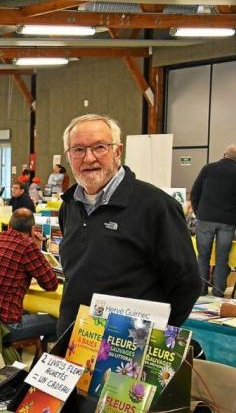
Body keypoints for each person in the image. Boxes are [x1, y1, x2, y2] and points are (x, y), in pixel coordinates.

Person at [57, 114, 201, 335]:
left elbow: (187, 283)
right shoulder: (69, 205)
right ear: (68, 156)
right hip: (75, 340)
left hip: (128, 348)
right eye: (78, 150)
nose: (88, 158)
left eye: (99, 147)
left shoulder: (156, 206)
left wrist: (157, 334)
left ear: (117, 151)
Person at [0, 208, 58, 347]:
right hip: (5, 325)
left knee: (26, 311)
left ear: (9, 225)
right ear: (32, 229)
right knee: (57, 323)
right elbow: (51, 284)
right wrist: (36, 246)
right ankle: (38, 366)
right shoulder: (27, 246)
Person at [191, 144, 236, 297]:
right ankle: (218, 291)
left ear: (224, 154)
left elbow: (195, 191)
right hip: (228, 222)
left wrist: (198, 213)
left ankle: (201, 288)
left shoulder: (208, 168)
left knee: (203, 255)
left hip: (205, 218)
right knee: (222, 257)